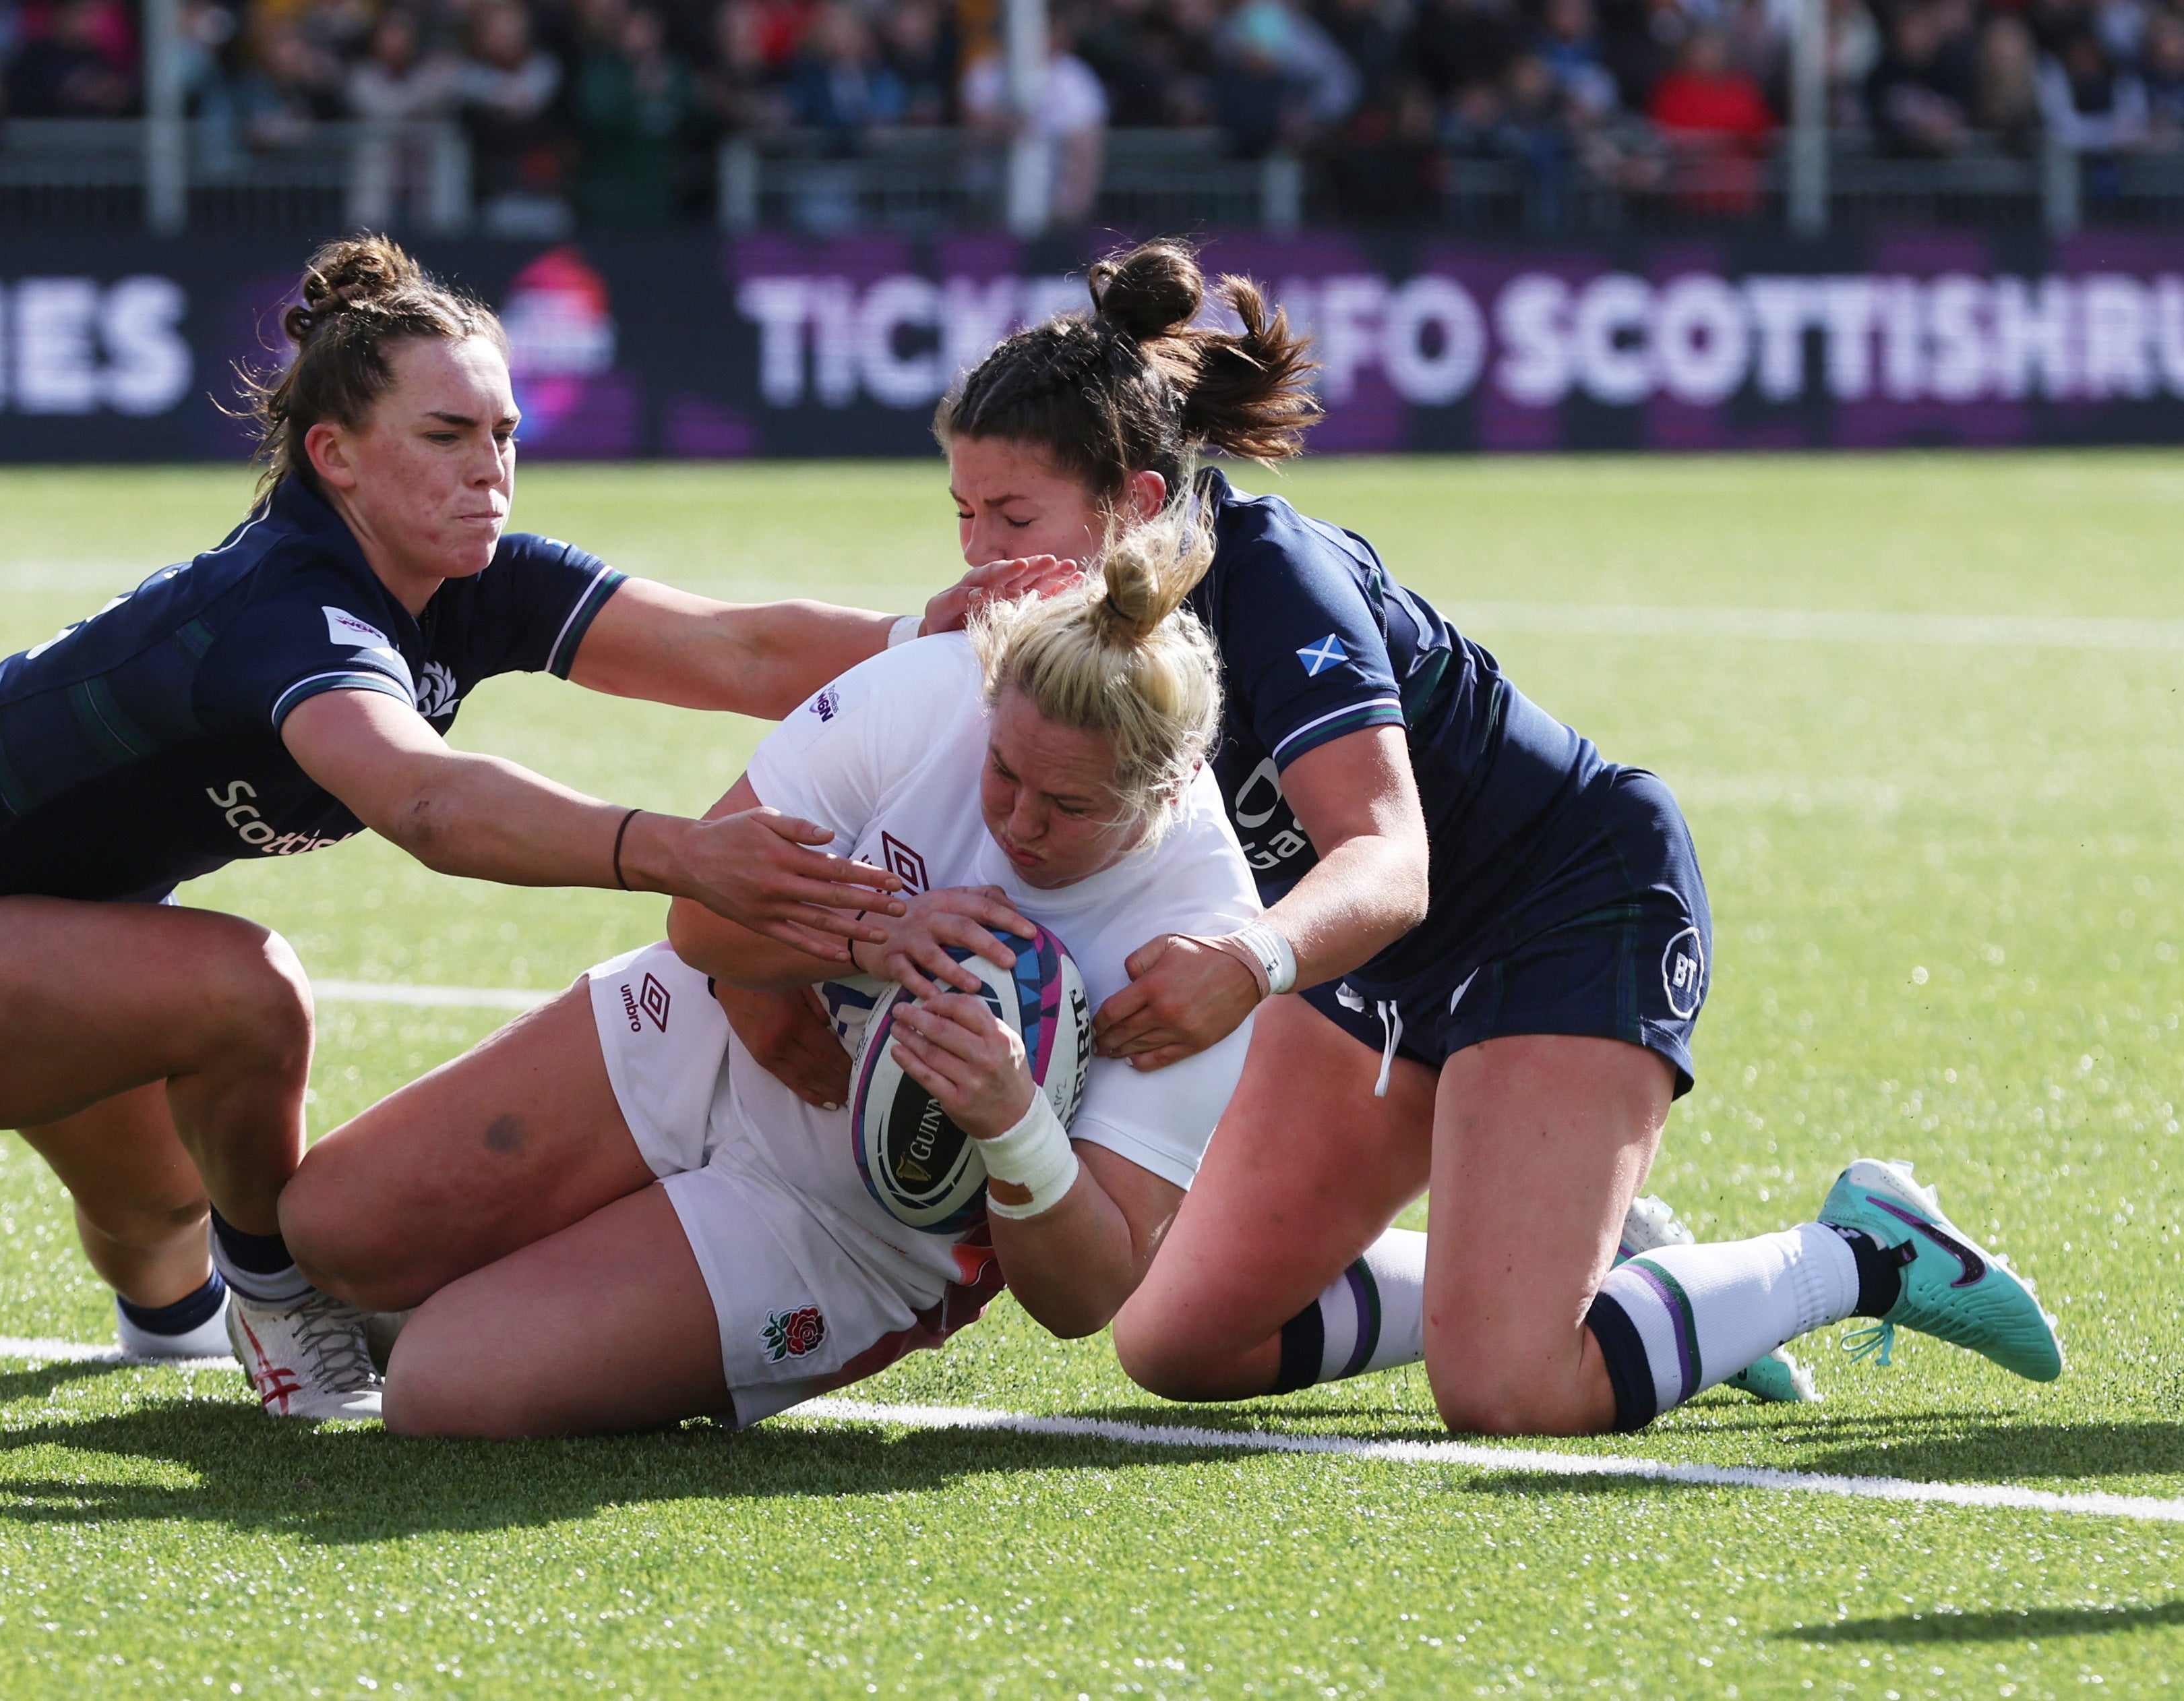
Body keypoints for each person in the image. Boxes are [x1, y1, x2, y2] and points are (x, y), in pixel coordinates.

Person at [723, 238, 2064, 1437]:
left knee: (1505, 1389)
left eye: (1010, 518)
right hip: (1365, 963)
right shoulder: (1055, 640)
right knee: (1178, 1338)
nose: (980, 553)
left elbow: (1387, 857)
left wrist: (1243, 963)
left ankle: (1856, 1250)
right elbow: (794, 671)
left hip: (1557, 902)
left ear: (1135, 500)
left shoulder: (1268, 577)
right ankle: (1616, 1282)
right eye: (959, 513)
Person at [0, 237, 1050, 1421]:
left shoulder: (464, 573)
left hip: (53, 929)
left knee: (163, 1211)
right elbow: (425, 802)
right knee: (246, 994)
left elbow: (731, 644)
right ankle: (282, 1305)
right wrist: (674, 849)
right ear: (334, 456)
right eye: (446, 435)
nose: (488, 469)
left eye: (504, 432)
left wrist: (936, 637)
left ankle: (178, 1311)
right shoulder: (289, 605)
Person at [278, 516, 1260, 1436]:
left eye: (1070, 806)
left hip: (853, 1225)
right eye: (1004, 773)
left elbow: (1082, 1299)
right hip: (712, 1025)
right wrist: (865, 935)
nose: (1019, 822)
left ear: (1165, 793)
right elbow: (699, 916)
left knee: (443, 1387)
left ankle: (496, 1310)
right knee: (331, 1227)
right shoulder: (926, 692)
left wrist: (1014, 1126)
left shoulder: (1193, 936)